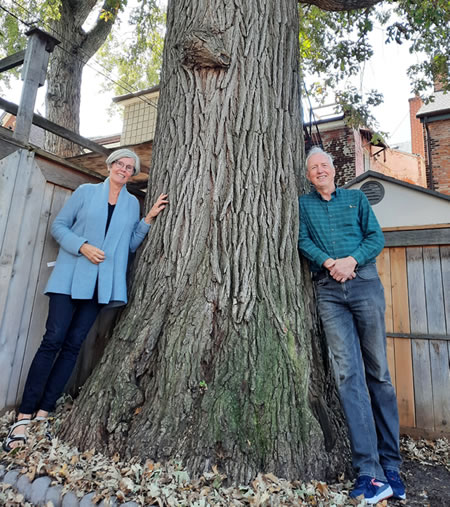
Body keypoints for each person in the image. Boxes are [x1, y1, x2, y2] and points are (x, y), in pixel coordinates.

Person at [3, 148, 168, 452]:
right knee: (52, 340)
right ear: (109, 165)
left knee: (73, 347)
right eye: (120, 163)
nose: (124, 169)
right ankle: (24, 415)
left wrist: (147, 219)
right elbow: (58, 227)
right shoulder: (85, 192)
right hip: (69, 279)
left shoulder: (132, 204)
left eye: (130, 167)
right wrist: (82, 247)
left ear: (133, 174)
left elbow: (129, 245)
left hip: (100, 286)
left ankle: (44, 413)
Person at [298, 147, 405, 504]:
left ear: (333, 169)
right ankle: (368, 471)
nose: (319, 171)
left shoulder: (356, 199)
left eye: (324, 165)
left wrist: (350, 261)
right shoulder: (302, 205)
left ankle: (391, 465)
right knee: (348, 377)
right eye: (313, 168)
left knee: (379, 375)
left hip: (364, 286)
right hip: (328, 293)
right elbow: (302, 240)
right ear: (309, 175)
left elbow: (375, 238)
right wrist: (330, 262)